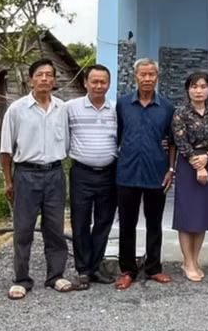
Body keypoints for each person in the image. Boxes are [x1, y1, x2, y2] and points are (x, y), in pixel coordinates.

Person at [0, 58, 73, 299]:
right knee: (23, 229)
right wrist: (8, 181)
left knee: (54, 227)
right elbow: (6, 150)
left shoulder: (62, 108)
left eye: (49, 75)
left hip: (54, 173)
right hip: (26, 174)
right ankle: (21, 279)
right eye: (40, 74)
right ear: (31, 79)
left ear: (54, 80)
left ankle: (55, 276)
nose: (44, 78)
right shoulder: (17, 109)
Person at [115, 59, 175, 290]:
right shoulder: (122, 104)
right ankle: (127, 269)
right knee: (127, 224)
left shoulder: (167, 108)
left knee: (154, 223)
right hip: (127, 173)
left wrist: (171, 169)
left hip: (156, 173)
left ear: (157, 77)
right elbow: (118, 135)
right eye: (143, 74)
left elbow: (172, 143)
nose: (147, 78)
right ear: (135, 76)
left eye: (152, 74)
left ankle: (153, 268)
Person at [65, 64, 118, 290]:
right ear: (85, 83)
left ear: (109, 84)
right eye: (94, 81)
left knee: (104, 222)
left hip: (109, 173)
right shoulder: (70, 108)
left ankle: (96, 267)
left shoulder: (116, 109)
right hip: (81, 173)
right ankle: (83, 270)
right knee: (80, 222)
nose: (98, 86)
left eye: (103, 82)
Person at [171, 72, 208, 282]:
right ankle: (187, 262)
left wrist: (207, 157)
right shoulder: (180, 113)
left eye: (202, 86)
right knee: (186, 217)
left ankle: (195, 259)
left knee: (202, 216)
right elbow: (180, 142)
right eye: (194, 86)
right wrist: (197, 163)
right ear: (188, 89)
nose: (198, 90)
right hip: (187, 166)